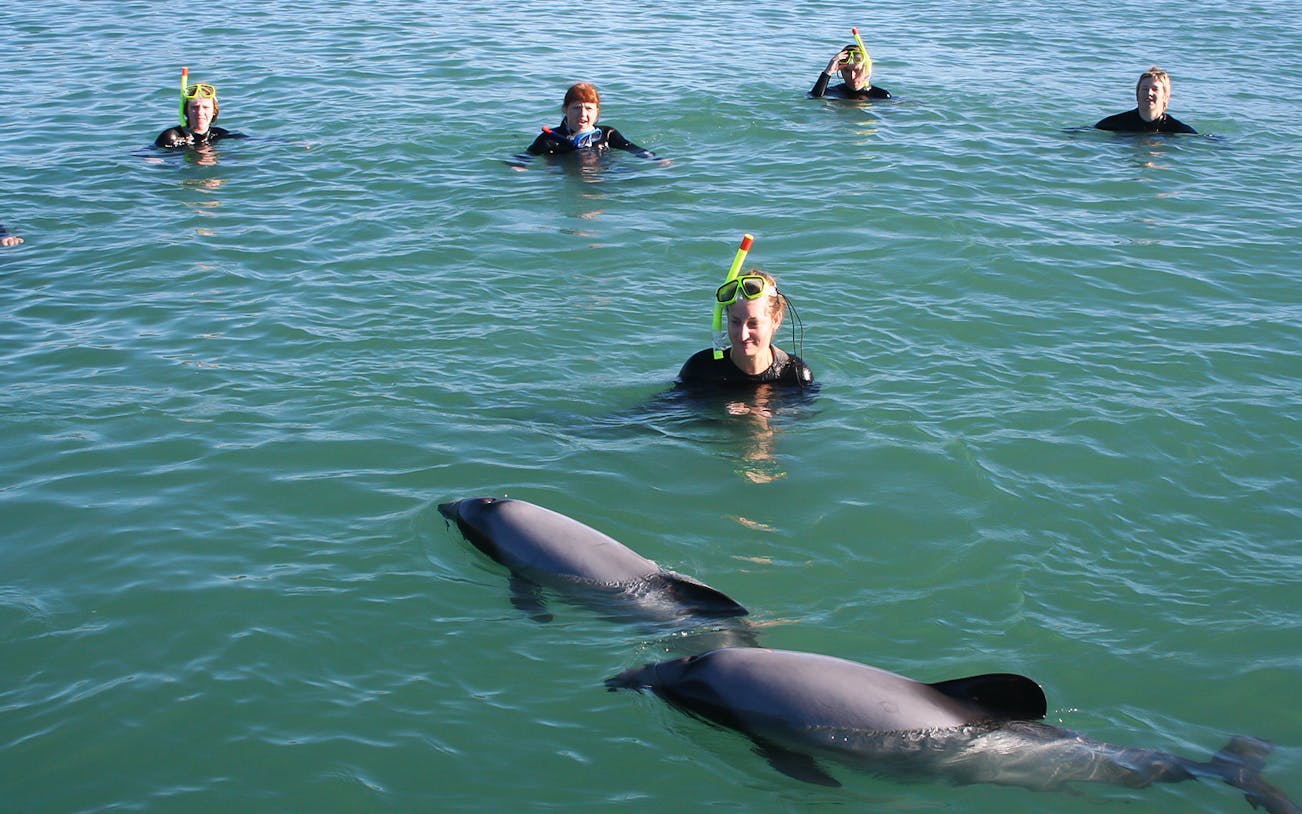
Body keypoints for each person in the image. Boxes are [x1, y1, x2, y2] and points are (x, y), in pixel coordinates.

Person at [678, 270, 814, 388]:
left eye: (753, 323)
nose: (743, 335)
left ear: (776, 320)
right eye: (735, 322)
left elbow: (802, 416)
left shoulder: (795, 376)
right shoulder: (700, 370)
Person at [515, 82, 660, 165]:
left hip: (605, 173)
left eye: (589, 108)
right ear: (565, 109)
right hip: (568, 176)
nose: (583, 114)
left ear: (597, 111)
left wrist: (656, 159)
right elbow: (526, 157)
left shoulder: (607, 134)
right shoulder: (550, 139)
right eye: (577, 108)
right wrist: (518, 166)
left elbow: (633, 149)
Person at [1095, 66, 1196, 134]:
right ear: (1137, 94)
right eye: (1144, 89)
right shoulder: (1117, 122)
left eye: (1155, 89)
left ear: (1165, 96)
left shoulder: (1175, 129)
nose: (1149, 93)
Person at [154, 77, 247, 149]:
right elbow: (149, 155)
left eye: (205, 107)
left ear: (214, 111)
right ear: (186, 110)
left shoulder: (218, 134)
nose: (200, 112)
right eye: (194, 107)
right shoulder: (171, 137)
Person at [810, 43, 891, 100]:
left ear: (866, 68)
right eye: (847, 70)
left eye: (857, 70)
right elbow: (813, 100)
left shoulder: (882, 96)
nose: (852, 76)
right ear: (840, 71)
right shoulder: (833, 92)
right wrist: (828, 72)